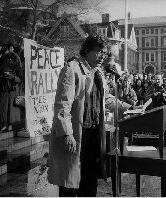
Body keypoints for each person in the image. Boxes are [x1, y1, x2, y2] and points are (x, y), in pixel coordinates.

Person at [47, 35, 139, 197]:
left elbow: (106, 99)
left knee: (89, 177)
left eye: (104, 52)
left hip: (94, 134)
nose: (103, 56)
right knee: (70, 180)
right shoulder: (72, 69)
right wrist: (67, 133)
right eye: (99, 51)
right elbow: (63, 106)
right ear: (87, 50)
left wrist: (130, 108)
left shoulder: (98, 73)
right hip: (76, 133)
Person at [0, 43, 22, 132]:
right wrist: (2, 77)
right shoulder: (1, 67)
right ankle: (4, 124)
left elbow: (21, 79)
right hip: (4, 89)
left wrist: (13, 77)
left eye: (11, 59)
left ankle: (10, 125)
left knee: (12, 108)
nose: (9, 60)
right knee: (3, 107)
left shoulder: (17, 68)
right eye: (8, 59)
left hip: (13, 89)